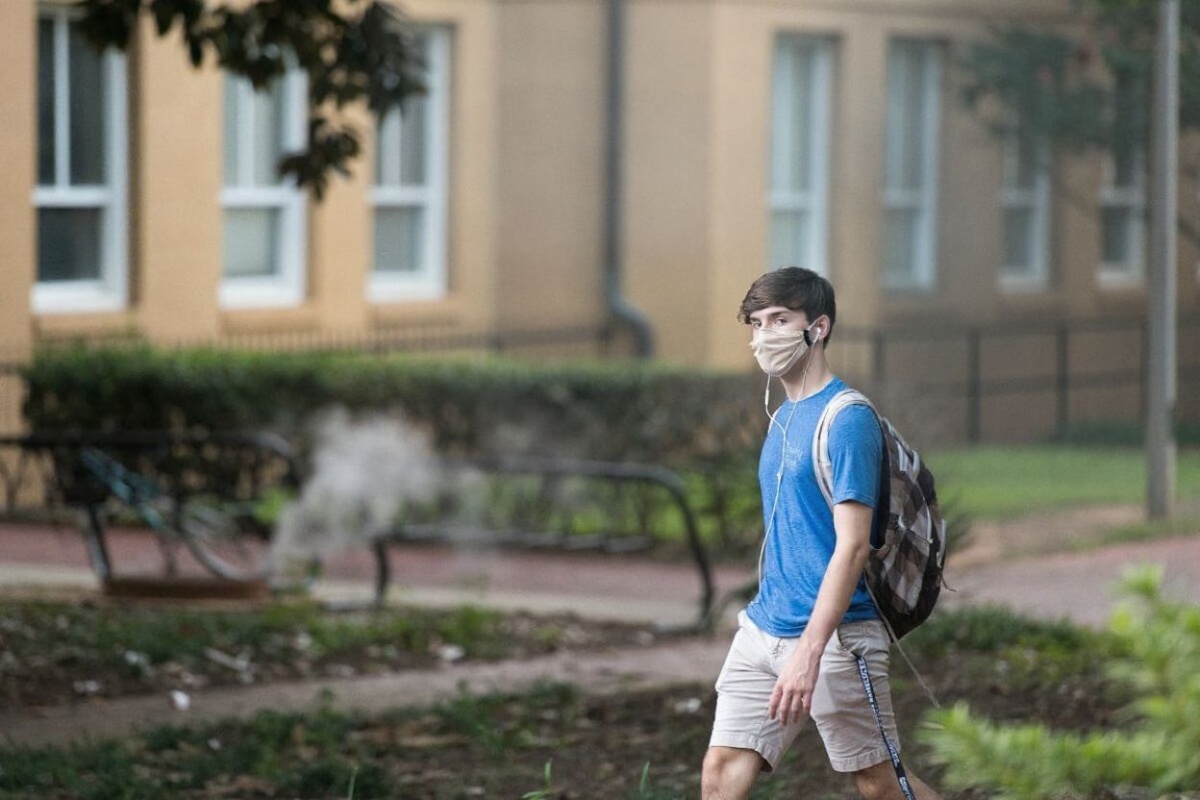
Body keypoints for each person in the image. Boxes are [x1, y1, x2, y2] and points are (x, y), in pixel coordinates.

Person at [701, 267, 942, 800]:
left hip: (836, 637)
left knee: (877, 784)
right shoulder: (783, 417)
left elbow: (853, 544)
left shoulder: (847, 419)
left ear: (819, 327)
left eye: (781, 320)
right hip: (764, 629)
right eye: (757, 323)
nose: (765, 335)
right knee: (719, 774)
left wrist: (810, 650)